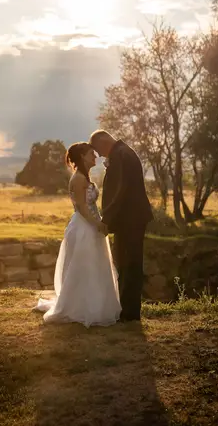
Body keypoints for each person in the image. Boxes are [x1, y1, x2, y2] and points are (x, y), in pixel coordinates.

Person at [35, 142, 121, 327]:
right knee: (85, 265)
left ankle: (97, 305)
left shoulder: (85, 177)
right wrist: (98, 224)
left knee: (95, 264)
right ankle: (83, 307)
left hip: (91, 224)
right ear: (82, 156)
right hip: (84, 227)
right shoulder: (79, 179)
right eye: (92, 154)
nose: (95, 157)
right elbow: (82, 207)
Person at [89, 130, 153, 322]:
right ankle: (126, 309)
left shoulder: (121, 155)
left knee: (130, 264)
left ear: (104, 141)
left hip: (131, 220)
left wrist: (106, 219)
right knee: (126, 263)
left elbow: (120, 190)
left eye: (98, 150)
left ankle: (130, 313)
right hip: (129, 219)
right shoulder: (122, 153)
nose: (99, 156)